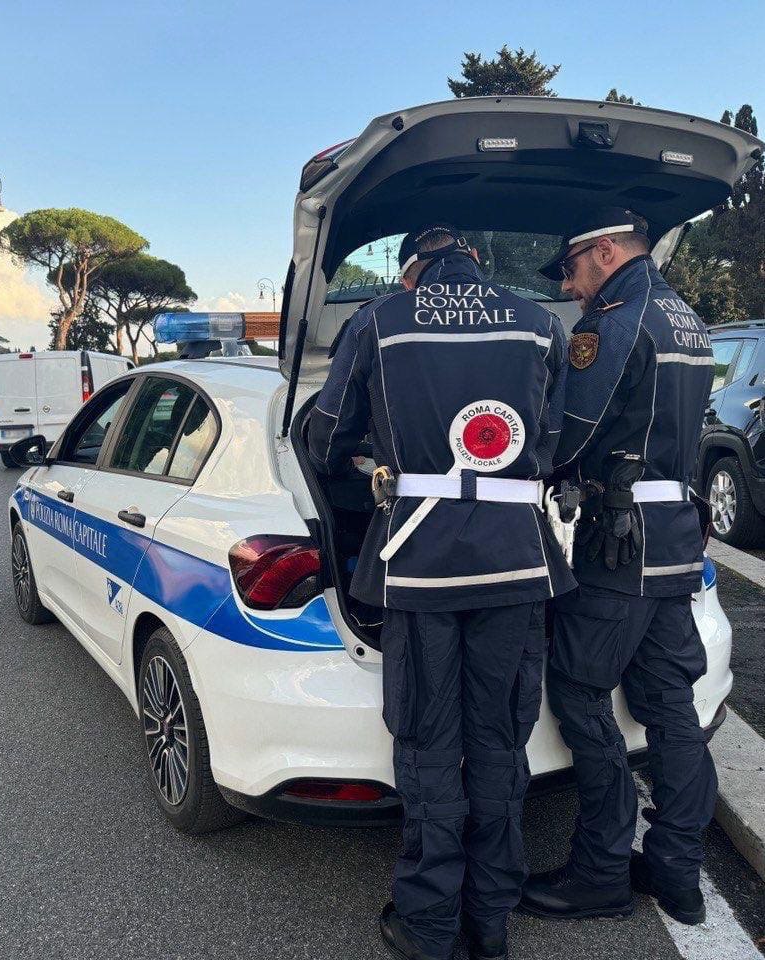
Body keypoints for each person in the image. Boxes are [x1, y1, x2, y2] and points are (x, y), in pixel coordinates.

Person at [309, 225, 573, 960]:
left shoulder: (379, 322)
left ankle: (428, 928)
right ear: (478, 264)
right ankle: (490, 923)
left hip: (417, 563)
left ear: (409, 275)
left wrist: (370, 466)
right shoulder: (537, 322)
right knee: (499, 743)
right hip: (516, 564)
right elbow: (554, 441)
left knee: (428, 746)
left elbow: (325, 434)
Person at [520, 208, 716, 926]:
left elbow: (568, 436)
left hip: (618, 543)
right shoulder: (683, 315)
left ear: (602, 252)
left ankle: (599, 871)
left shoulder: (613, 320)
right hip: (671, 538)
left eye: (569, 271)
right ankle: (677, 874)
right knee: (671, 711)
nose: (569, 289)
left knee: (576, 689)